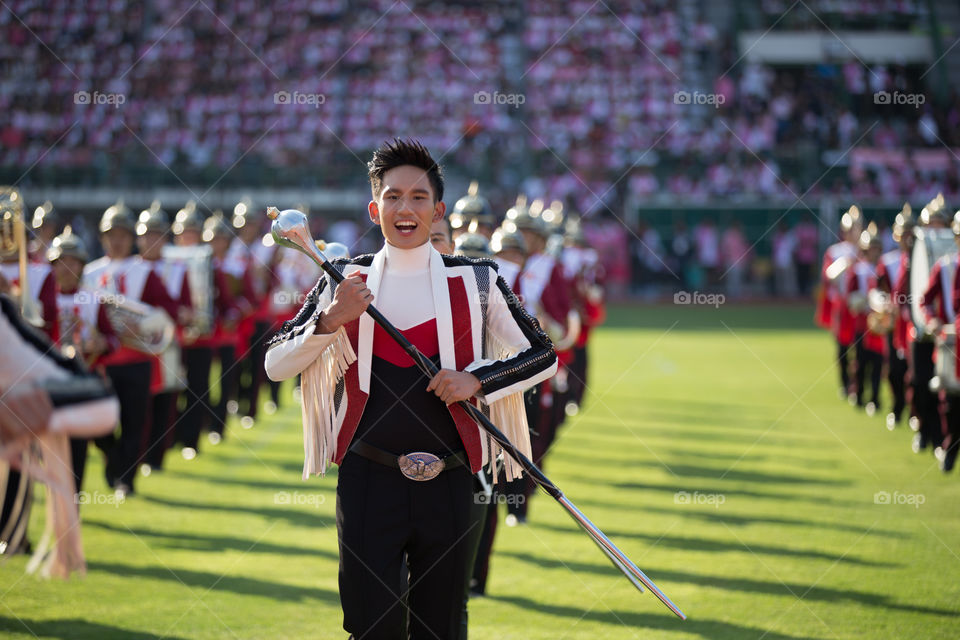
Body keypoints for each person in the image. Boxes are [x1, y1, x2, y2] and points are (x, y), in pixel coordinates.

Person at [265, 139, 557, 639]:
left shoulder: (479, 280)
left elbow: (543, 355)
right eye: (394, 197)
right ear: (375, 208)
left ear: (438, 209)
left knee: (439, 629)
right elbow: (274, 363)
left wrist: (477, 380)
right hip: (366, 481)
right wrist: (333, 319)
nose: (406, 208)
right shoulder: (344, 278)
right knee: (369, 627)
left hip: (450, 482)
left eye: (419, 198)